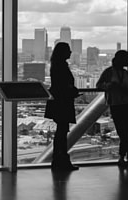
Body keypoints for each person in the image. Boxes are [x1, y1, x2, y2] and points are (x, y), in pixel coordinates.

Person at [96, 50, 128, 168]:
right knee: (122, 132)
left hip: (125, 104)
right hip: (118, 104)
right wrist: (109, 86)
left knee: (124, 132)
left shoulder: (127, 74)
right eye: (127, 59)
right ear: (121, 60)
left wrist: (117, 87)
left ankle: (122, 157)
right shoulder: (110, 72)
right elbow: (99, 85)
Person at [44, 42, 80, 171]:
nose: (70, 53)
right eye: (68, 50)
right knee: (62, 132)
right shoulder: (61, 66)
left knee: (61, 132)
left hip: (58, 101)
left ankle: (58, 160)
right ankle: (62, 160)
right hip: (63, 102)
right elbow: (64, 84)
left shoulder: (56, 65)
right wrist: (72, 90)